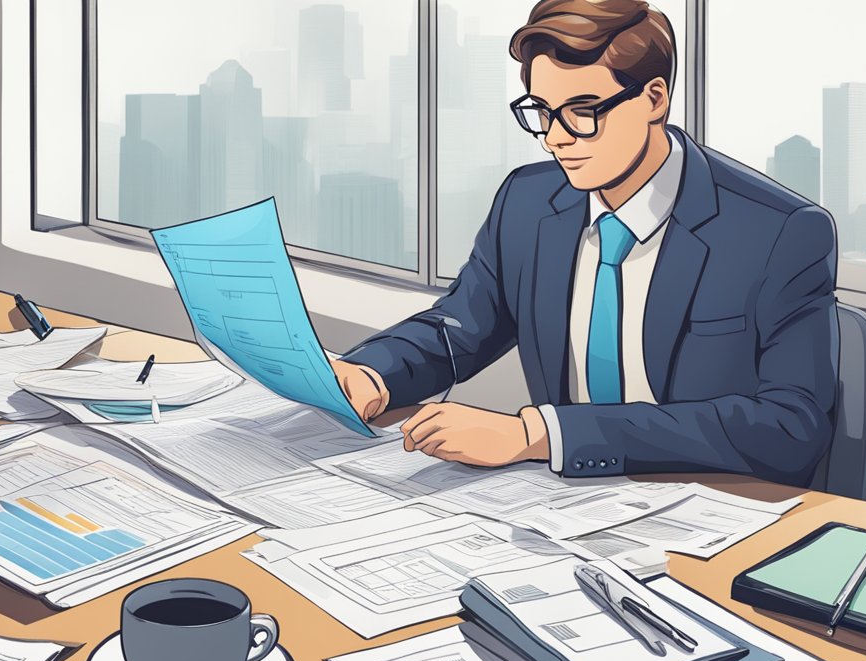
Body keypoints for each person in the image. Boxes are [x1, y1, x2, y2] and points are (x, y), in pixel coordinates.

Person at [333, 0, 839, 487]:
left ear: (654, 99)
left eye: (583, 111)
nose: (556, 138)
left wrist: (541, 435)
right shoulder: (527, 203)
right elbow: (460, 328)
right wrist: (373, 375)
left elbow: (789, 427)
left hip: (714, 507)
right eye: (541, 112)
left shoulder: (777, 231)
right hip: (559, 508)